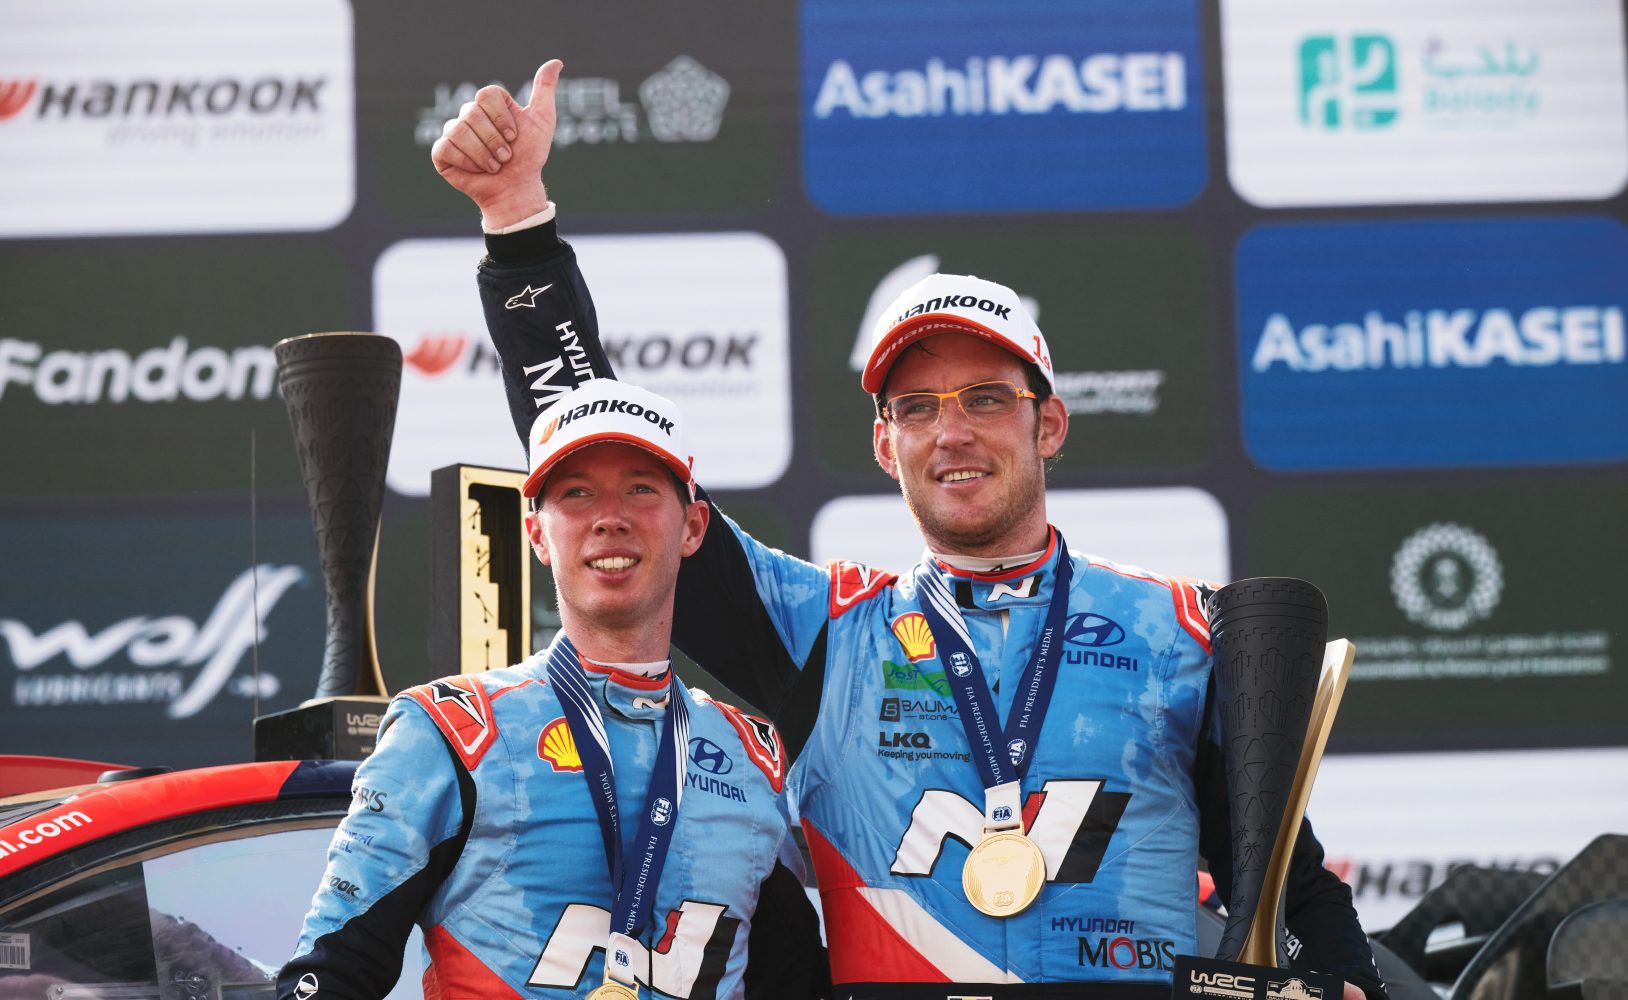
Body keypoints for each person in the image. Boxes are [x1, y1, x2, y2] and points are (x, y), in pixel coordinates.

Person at [435, 59, 1388, 1000]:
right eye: (918, 408)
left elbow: (1284, 881)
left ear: (1049, 424)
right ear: (885, 445)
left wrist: (1345, 983)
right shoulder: (820, 633)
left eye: (986, 398)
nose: (953, 433)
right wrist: (518, 227)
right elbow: (596, 439)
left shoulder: (1175, 633)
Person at [277, 378, 827, 1000]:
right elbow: (328, 978)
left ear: (694, 527)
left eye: (641, 489)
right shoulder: (451, 733)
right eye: (577, 493)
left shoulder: (749, 757)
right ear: (537, 533)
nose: (610, 518)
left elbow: (797, 987)